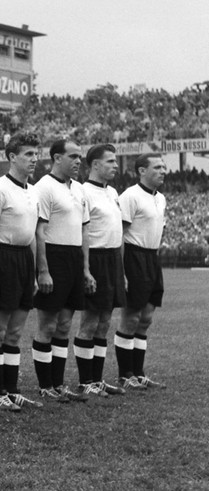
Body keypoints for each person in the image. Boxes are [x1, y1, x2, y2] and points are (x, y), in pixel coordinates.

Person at [0, 133, 44, 412]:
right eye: (28, 154)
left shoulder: (32, 191)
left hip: (23, 261)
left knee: (15, 332)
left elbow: (31, 235)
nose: (34, 159)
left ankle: (12, 390)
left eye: (36, 154)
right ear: (12, 157)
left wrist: (33, 273)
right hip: (3, 257)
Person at [31, 139, 90, 403]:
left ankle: (59, 384)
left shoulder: (78, 188)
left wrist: (86, 269)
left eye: (81, 157)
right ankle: (45, 386)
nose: (79, 161)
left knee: (65, 325)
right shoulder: (43, 187)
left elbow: (84, 230)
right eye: (73, 156)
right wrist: (43, 270)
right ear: (56, 158)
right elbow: (39, 231)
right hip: (53, 257)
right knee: (48, 324)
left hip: (74, 257)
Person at [73, 144, 127, 398]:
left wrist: (122, 270)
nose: (115, 165)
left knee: (105, 322)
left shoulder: (113, 192)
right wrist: (85, 269)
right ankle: (86, 381)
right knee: (90, 321)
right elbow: (82, 233)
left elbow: (118, 233)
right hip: (95, 259)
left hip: (113, 259)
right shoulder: (83, 192)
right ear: (95, 165)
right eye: (110, 161)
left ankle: (97, 379)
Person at [115, 153, 168, 390]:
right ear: (141, 171)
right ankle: (125, 374)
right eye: (157, 167)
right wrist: (123, 270)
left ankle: (139, 372)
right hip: (134, 257)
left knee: (146, 318)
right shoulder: (130, 196)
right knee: (131, 317)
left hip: (152, 257)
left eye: (164, 167)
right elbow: (121, 235)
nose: (163, 170)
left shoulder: (162, 198)